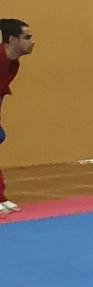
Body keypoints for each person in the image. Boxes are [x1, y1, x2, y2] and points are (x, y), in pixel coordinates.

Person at [0, 18, 34, 216]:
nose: (31, 41)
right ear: (12, 39)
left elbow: (1, 92)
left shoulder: (13, 64)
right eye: (27, 37)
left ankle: (1, 197)